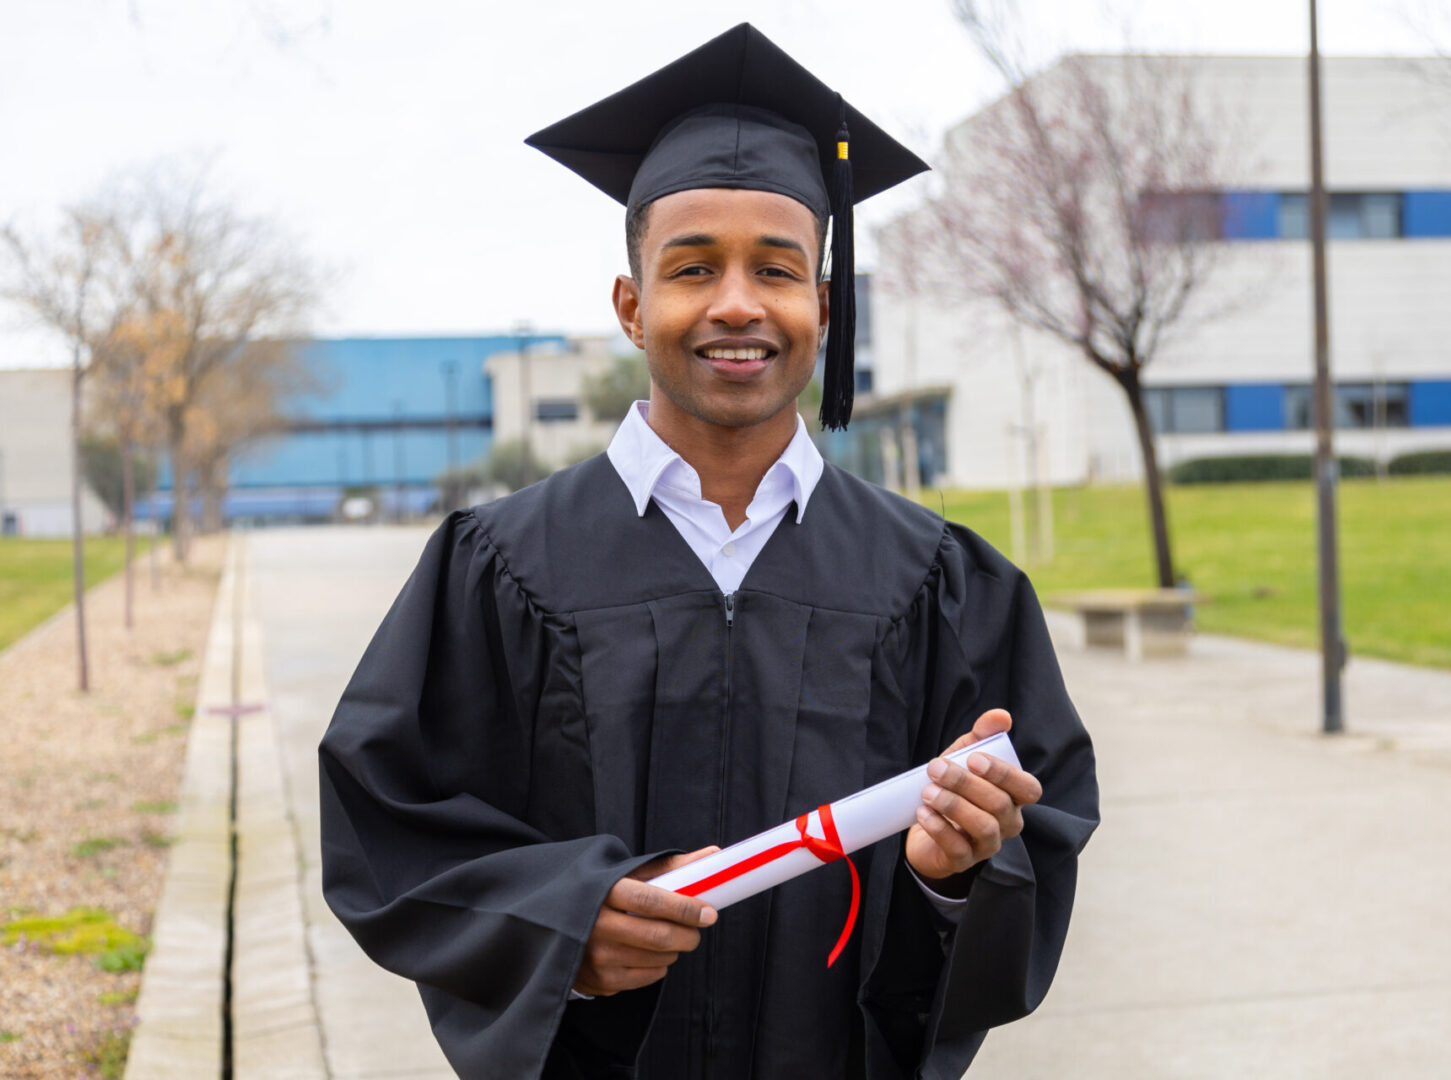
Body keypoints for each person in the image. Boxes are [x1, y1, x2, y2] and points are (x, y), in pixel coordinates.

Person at [319, 23, 1098, 1080]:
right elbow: (387, 819)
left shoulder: (939, 580)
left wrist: (955, 874)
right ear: (634, 308)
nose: (737, 303)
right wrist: (562, 923)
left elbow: (1038, 831)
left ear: (823, 307)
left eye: (776, 269)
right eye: (694, 269)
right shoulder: (499, 564)